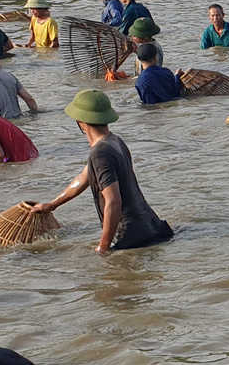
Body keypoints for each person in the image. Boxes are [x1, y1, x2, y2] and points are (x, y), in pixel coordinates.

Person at [27, 92, 172, 252]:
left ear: (80, 122)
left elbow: (114, 202)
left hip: (130, 236)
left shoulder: (100, 154)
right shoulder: (115, 141)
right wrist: (52, 205)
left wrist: (103, 247)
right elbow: (83, 178)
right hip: (151, 225)